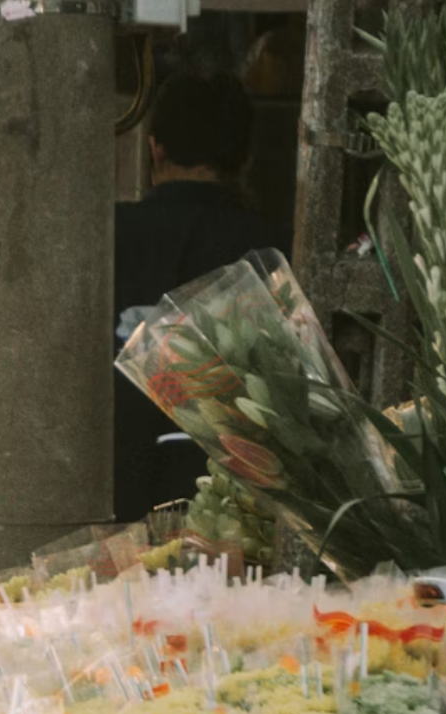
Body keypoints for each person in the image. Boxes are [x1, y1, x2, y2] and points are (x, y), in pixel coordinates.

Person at [112, 73, 290, 524]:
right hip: (236, 513)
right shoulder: (272, 250)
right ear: (245, 158)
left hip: (106, 499)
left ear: (155, 149)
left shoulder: (106, 238)